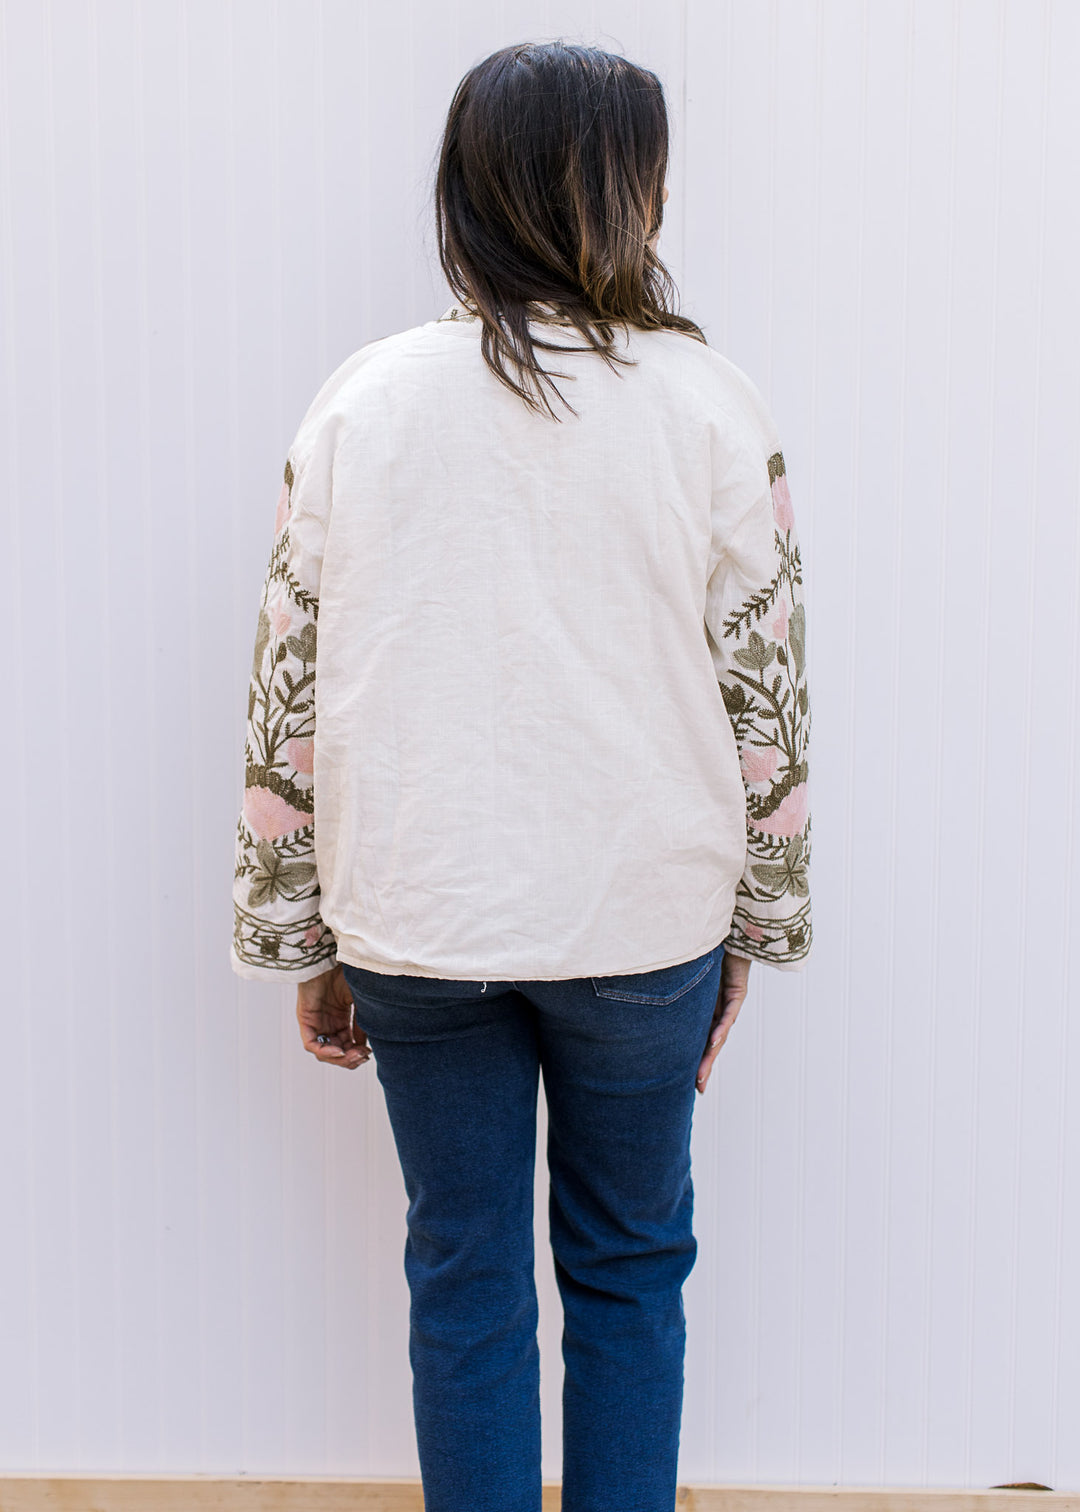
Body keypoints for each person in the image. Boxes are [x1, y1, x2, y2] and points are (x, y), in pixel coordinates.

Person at [230, 37, 812, 1512]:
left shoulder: (365, 402)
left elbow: (285, 695)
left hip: (414, 913)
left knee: (463, 1271)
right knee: (628, 1266)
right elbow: (770, 698)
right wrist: (759, 922)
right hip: (642, 918)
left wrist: (304, 932)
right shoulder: (707, 407)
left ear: (465, 192)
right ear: (634, 197)